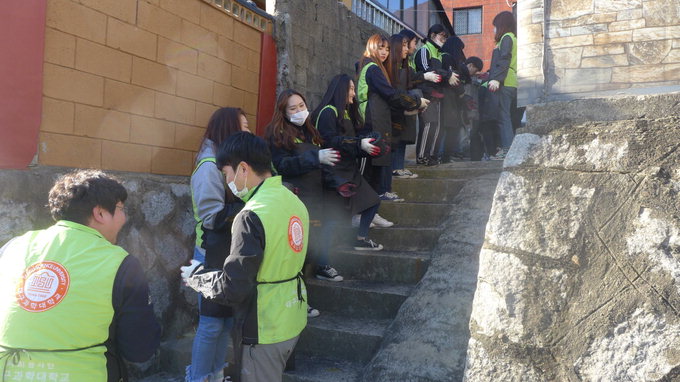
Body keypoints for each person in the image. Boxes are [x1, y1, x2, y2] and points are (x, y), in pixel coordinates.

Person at [0, 170, 160, 381]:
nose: (125, 217)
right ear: (100, 213)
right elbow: (139, 350)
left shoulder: (13, 247)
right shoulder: (120, 262)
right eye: (121, 208)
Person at [182, 132, 308, 382]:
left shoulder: (251, 214)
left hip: (263, 326)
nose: (227, 181)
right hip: (292, 316)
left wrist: (197, 278)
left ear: (242, 168)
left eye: (227, 173)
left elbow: (234, 288)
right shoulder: (293, 201)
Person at [188, 107, 250, 382]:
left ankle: (215, 375)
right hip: (209, 255)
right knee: (211, 324)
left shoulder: (229, 163)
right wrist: (251, 207)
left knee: (224, 323)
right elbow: (212, 217)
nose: (248, 132)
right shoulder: (209, 166)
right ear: (229, 130)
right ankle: (198, 377)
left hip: (227, 253)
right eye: (244, 127)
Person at [264, 89, 345, 285]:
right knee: (295, 248)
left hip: (317, 195)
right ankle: (296, 292)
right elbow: (281, 165)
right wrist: (314, 157)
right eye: (293, 108)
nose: (299, 111)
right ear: (283, 112)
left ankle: (320, 266)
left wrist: (339, 183)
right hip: (296, 198)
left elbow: (321, 165)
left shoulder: (310, 131)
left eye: (302, 106)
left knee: (315, 240)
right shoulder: (276, 134)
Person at [312, 73, 386, 250]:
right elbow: (329, 140)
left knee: (373, 201)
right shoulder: (328, 112)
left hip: (349, 169)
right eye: (351, 89)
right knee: (332, 218)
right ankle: (324, 259)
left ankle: (360, 239)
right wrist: (358, 143)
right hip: (335, 172)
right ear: (341, 90)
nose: (353, 93)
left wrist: (368, 145)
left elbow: (349, 140)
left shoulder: (344, 111)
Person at [356, 33, 427, 202]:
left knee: (380, 157)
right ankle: (378, 195)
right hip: (372, 118)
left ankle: (380, 194)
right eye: (380, 48)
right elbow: (390, 94)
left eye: (387, 49)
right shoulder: (373, 68)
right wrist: (415, 102)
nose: (384, 52)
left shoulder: (370, 66)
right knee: (376, 160)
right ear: (371, 47)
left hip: (375, 117)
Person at [414, 24, 459, 166]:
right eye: (442, 36)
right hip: (426, 93)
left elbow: (439, 73)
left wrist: (448, 75)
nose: (444, 39)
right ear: (433, 35)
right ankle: (422, 157)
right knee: (428, 125)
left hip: (438, 95)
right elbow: (427, 71)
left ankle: (432, 155)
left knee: (438, 127)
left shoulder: (439, 54)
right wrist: (448, 74)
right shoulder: (424, 50)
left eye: (445, 37)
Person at [487, 11, 518, 160]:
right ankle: (508, 149)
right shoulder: (513, 38)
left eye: (495, 26)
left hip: (505, 81)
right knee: (508, 116)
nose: (494, 30)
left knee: (503, 116)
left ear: (501, 25)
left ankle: (507, 150)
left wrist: (497, 79)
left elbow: (504, 59)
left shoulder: (506, 38)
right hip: (513, 81)